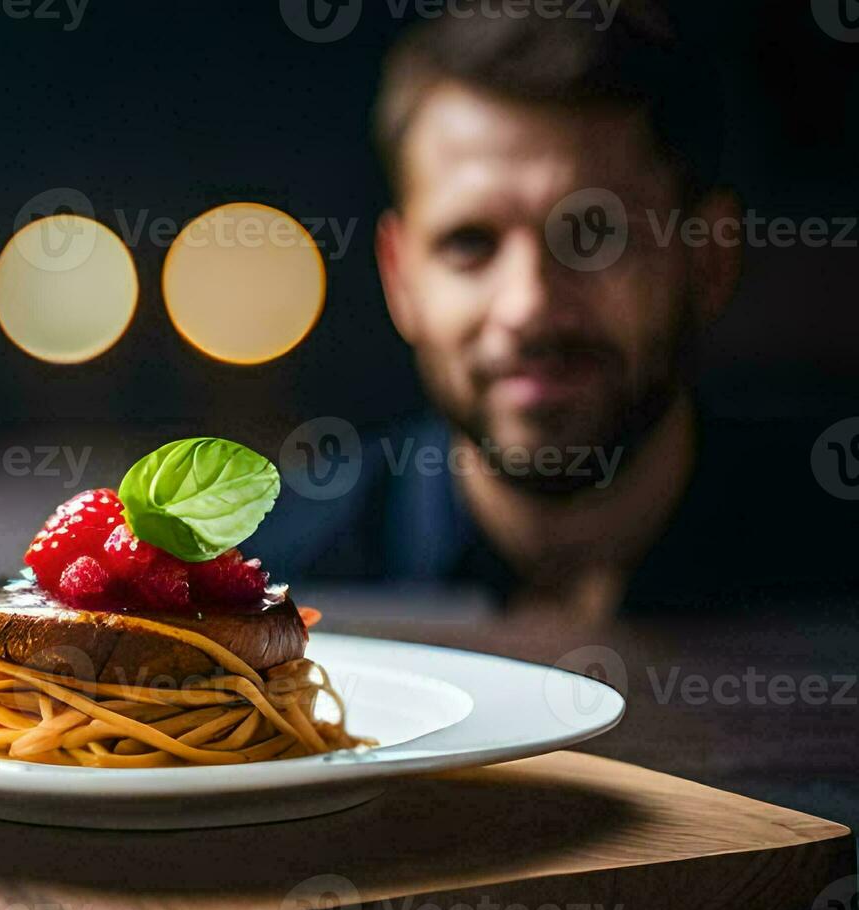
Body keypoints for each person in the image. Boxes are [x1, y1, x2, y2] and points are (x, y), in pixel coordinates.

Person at [260, 1, 857, 619]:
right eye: (470, 242)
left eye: (592, 234)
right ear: (401, 278)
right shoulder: (270, 593)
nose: (528, 306)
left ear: (709, 262)